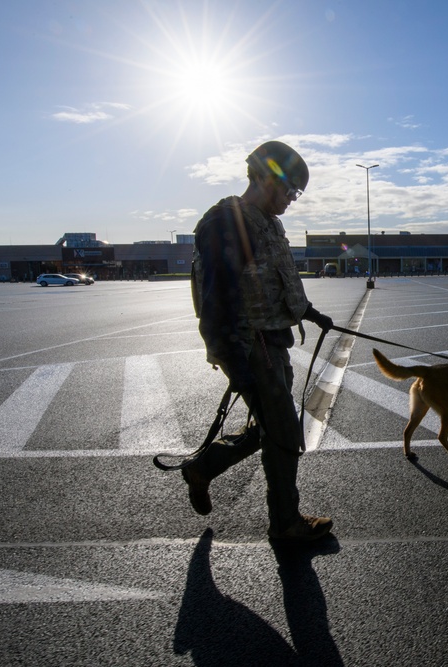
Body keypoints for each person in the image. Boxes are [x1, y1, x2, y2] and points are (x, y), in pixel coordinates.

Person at [183, 140, 335, 542]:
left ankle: (203, 467)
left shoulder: (268, 222)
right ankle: (285, 525)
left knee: (271, 425)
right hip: (251, 344)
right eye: (289, 190)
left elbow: (273, 281)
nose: (291, 200)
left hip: (274, 341)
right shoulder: (228, 222)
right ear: (266, 178)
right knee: (283, 429)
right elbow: (216, 300)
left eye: (296, 194)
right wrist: (235, 363)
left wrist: (309, 312)